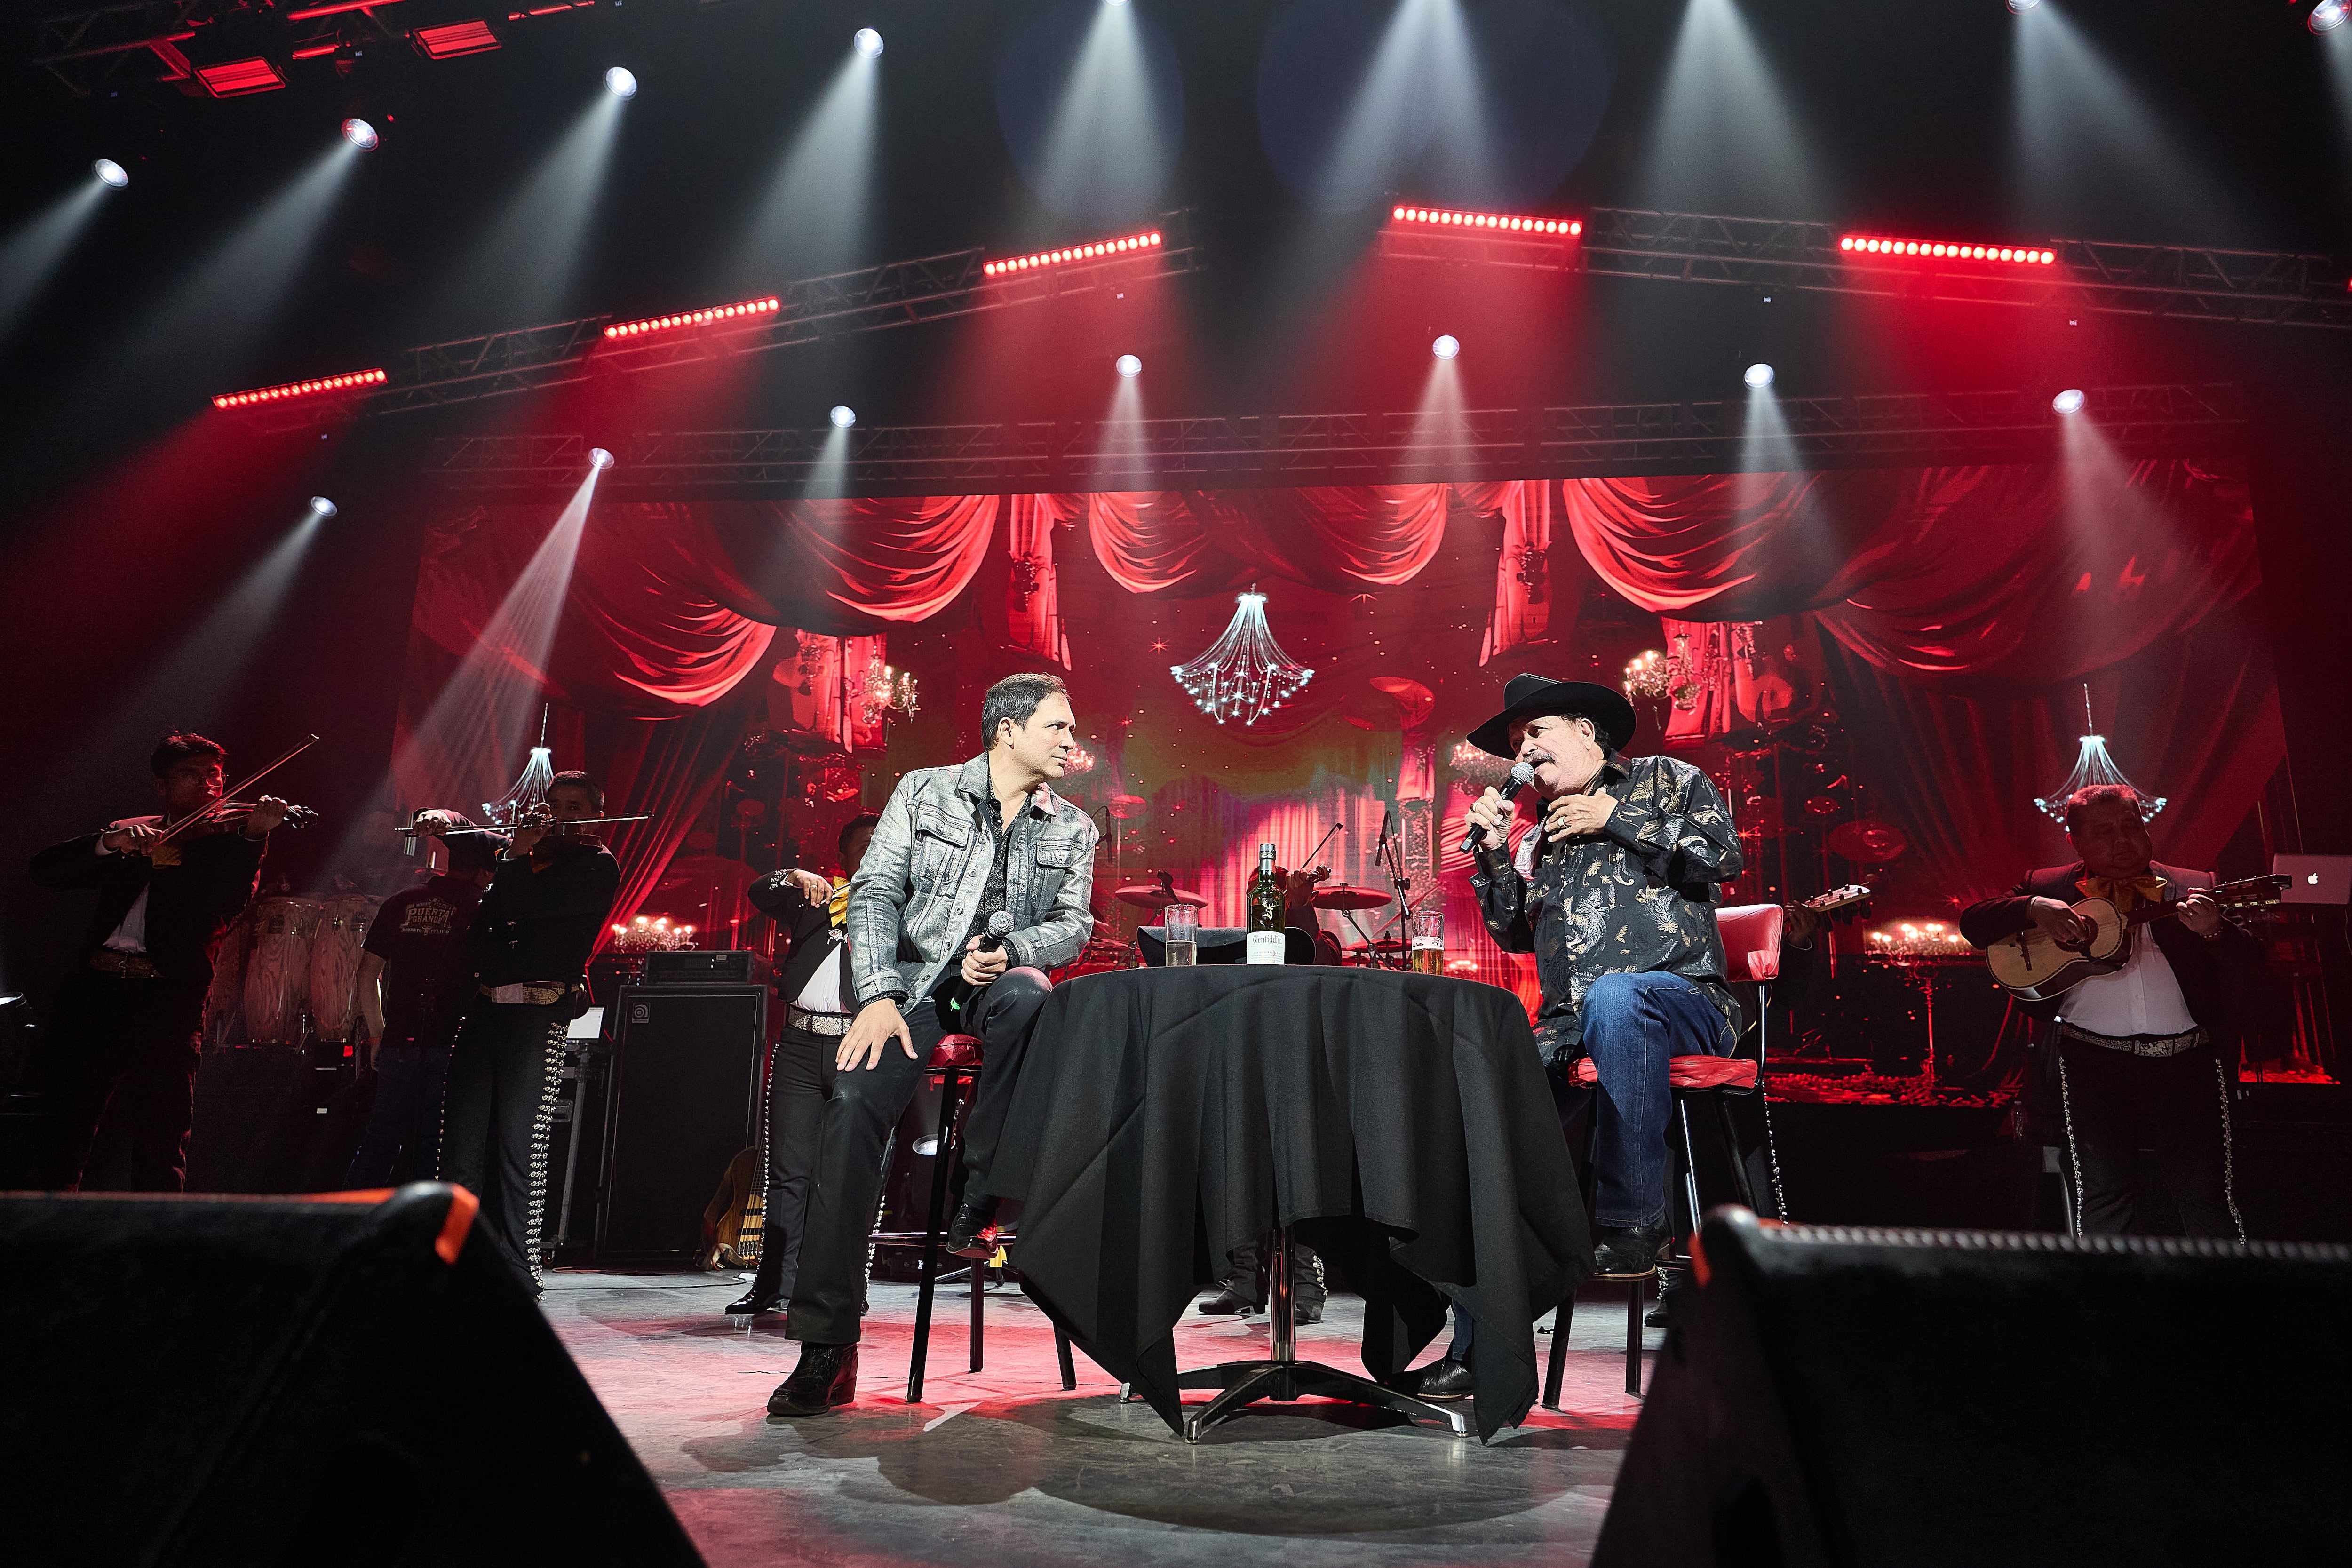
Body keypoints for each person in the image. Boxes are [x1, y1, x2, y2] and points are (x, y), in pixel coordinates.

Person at [767, 672, 1098, 1418]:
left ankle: (980, 1197)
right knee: (850, 1108)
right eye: (1058, 727)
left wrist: (1010, 944)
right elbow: (878, 890)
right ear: (1007, 730)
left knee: (1029, 997)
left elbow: (1076, 925)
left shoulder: (1074, 826)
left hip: (996, 983)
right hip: (910, 986)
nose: (1072, 742)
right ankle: (827, 1346)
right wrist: (879, 997)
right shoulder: (925, 791)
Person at [1413, 675, 1740, 1400]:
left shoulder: (1669, 780)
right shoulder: (1544, 831)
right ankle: (1477, 1343)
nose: (1521, 753)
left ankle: (1633, 1222)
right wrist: (1494, 853)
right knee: (1479, 1105)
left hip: (1682, 998)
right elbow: (1518, 933)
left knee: (1621, 995)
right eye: (1515, 745)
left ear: (1588, 732)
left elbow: (1722, 859)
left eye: (1534, 734)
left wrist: (1617, 818)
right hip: (1572, 1022)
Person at [1958, 783, 2257, 1239]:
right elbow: (1974, 922)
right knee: (2101, 1193)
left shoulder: (2193, 884)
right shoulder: (2047, 885)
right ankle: (2105, 1300)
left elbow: (2255, 965)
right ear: (2075, 842)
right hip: (2090, 1064)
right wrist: (2034, 908)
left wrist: (2214, 932)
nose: (2122, 842)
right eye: (2103, 832)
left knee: (2203, 1194)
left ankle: (2221, 1300)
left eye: (2130, 827)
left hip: (2185, 1061)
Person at [27, 733, 291, 1192]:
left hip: (167, 998)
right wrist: (111, 842)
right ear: (162, 786)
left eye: (214, 775)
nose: (210, 785)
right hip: (96, 992)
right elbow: (45, 871)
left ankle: (153, 1244)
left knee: (162, 1135)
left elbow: (230, 902)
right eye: (192, 775)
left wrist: (254, 836)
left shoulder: (226, 844)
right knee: (66, 1127)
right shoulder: (133, 834)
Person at [438, 772, 620, 1294]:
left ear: (591, 815)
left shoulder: (594, 865)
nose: (560, 813)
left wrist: (517, 857)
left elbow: (523, 907)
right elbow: (476, 859)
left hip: (536, 1015)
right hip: (485, 1011)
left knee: (522, 1145)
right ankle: (456, 1261)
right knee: (460, 1146)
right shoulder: (520, 855)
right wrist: (448, 822)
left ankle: (518, 1269)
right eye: (553, 803)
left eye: (573, 806)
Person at [725, 810, 882, 1317]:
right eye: (862, 845)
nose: (873, 850)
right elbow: (758, 893)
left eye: (882, 843)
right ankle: (775, 1284)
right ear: (843, 856)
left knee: (847, 1175)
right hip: (798, 1043)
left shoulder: (904, 903)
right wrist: (792, 874)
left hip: (860, 1046)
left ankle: (842, 1287)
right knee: (787, 1173)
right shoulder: (817, 896)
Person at [342, 820, 501, 1188]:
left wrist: (379, 1036)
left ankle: (350, 1221)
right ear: (483, 871)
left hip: (399, 1040)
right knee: (438, 1140)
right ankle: (426, 1227)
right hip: (455, 1044)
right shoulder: (484, 908)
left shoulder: (401, 902)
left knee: (381, 1136)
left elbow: (366, 976)